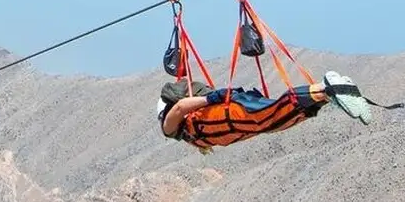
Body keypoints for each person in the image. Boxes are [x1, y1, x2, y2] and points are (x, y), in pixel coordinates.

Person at [157, 70, 372, 150]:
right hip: (238, 121)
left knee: (271, 114)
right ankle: (327, 94)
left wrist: (211, 98)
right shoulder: (191, 133)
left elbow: (180, 107)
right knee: (279, 120)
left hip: (232, 114)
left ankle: (325, 88)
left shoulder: (171, 127)